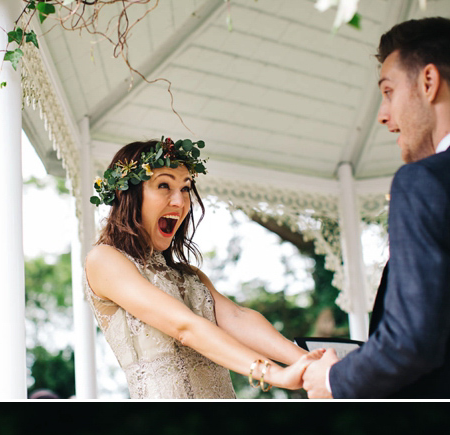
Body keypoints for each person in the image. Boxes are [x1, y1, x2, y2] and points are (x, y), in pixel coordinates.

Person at [84, 138, 318, 399]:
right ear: (123, 194)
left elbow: (238, 317)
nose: (180, 202)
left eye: (185, 188)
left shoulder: (191, 276)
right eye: (164, 185)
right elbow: (185, 328)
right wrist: (274, 374)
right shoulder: (104, 259)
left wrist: (309, 363)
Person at [303, 18, 450, 400]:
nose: (383, 115)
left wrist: (335, 379)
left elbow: (410, 342)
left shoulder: (423, 181)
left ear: (429, 82)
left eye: (388, 92)